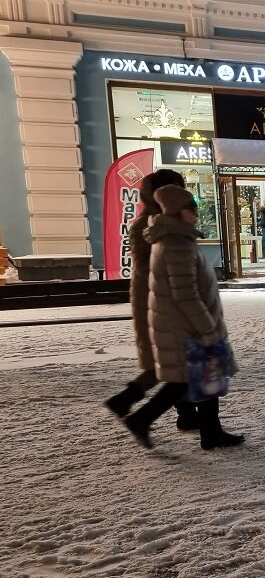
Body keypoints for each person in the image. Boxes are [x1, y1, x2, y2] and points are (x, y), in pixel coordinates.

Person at [122, 184, 244, 451]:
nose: (196, 215)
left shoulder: (171, 239)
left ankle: (207, 431)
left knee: (191, 380)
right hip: (187, 328)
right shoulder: (175, 244)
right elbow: (186, 294)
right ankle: (146, 420)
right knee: (194, 379)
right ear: (178, 212)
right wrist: (208, 329)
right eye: (192, 209)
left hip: (180, 325)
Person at [104, 169, 198, 432]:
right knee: (176, 363)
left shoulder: (160, 221)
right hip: (160, 303)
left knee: (170, 362)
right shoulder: (152, 225)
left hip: (159, 301)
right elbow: (155, 270)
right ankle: (140, 411)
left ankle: (127, 401)